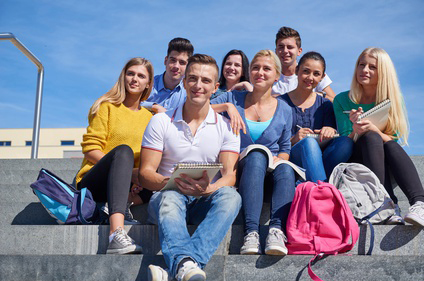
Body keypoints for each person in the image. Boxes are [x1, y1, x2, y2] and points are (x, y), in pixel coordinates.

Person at [139, 54, 241, 281]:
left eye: (205, 81)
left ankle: (180, 265)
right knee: (171, 197)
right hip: (167, 198)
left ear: (215, 87)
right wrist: (172, 183)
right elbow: (146, 173)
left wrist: (208, 190)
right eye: (193, 79)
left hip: (204, 198)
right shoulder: (161, 121)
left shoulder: (226, 127)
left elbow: (229, 176)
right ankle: (187, 264)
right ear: (184, 82)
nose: (198, 85)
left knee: (232, 197)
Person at [211, 50, 295, 256]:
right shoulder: (233, 97)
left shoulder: (285, 109)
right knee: (256, 155)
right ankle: (251, 233)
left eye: (267, 68)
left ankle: (276, 229)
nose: (260, 72)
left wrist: (279, 159)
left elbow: (285, 148)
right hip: (240, 170)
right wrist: (227, 106)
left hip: (270, 175)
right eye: (255, 68)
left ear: (277, 75)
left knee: (285, 167)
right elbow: (197, 108)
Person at [333, 47, 424, 226]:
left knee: (382, 141)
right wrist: (355, 129)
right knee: (370, 137)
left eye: (372, 67)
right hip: (356, 163)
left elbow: (394, 140)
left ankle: (419, 203)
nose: (364, 70)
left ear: (382, 72)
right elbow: (344, 143)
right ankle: (389, 204)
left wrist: (375, 128)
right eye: (361, 65)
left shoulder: (393, 99)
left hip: (385, 162)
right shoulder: (342, 99)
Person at [75, 58, 154, 254]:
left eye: (141, 76)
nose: (134, 79)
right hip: (94, 182)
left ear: (148, 83)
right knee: (123, 151)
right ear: (123, 77)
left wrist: (137, 176)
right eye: (131, 74)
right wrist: (126, 171)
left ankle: (119, 204)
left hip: (127, 183)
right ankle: (116, 233)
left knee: (159, 175)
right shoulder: (106, 106)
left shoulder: (150, 118)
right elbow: (91, 149)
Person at [281, 51, 353, 182]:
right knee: (308, 143)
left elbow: (333, 133)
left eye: (316, 74)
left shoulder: (325, 105)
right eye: (306, 71)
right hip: (292, 158)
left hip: (321, 158)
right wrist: (294, 139)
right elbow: (274, 141)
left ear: (322, 77)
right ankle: (322, 193)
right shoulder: (281, 103)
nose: (310, 77)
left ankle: (316, 183)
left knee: (346, 142)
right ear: (297, 70)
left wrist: (331, 130)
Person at [272, 26, 336, 101]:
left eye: (290, 47)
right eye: (281, 47)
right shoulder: (268, 75)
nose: (285, 51)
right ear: (276, 51)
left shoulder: (314, 72)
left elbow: (336, 103)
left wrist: (319, 95)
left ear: (299, 51)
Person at [140, 37, 194, 113]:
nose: (176, 66)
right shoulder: (148, 84)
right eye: (173, 60)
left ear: (188, 67)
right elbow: (131, 101)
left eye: (182, 62)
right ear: (166, 60)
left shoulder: (189, 92)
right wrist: (154, 107)